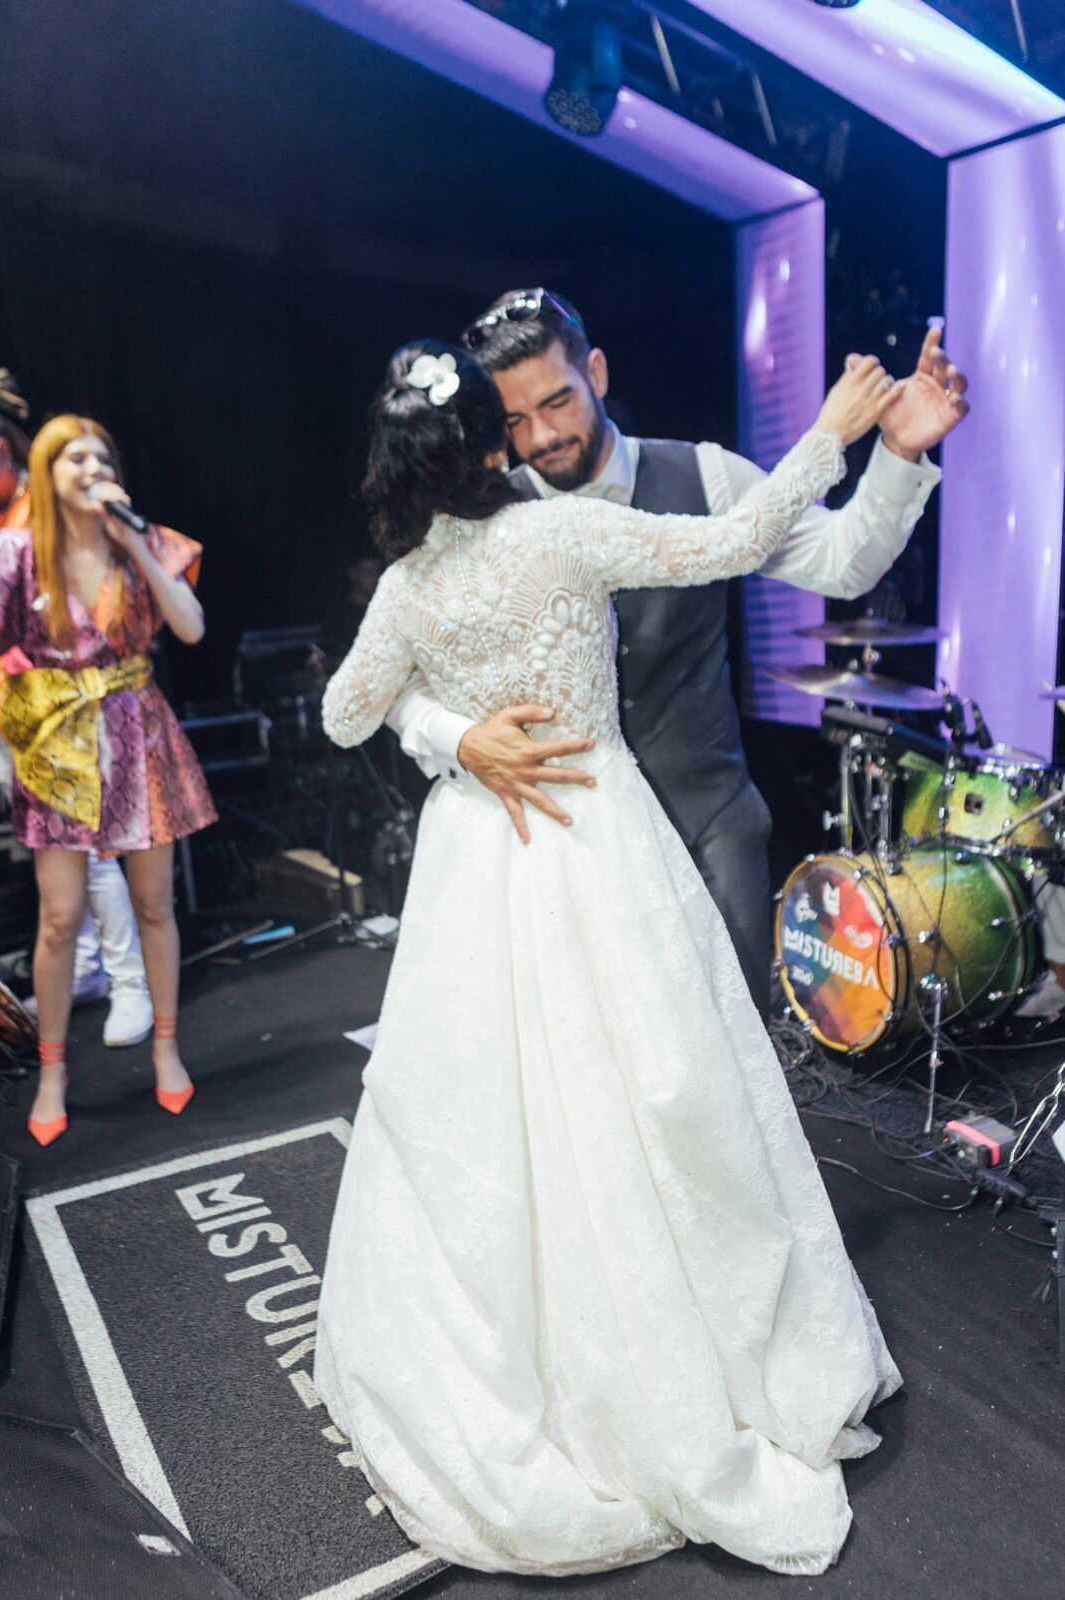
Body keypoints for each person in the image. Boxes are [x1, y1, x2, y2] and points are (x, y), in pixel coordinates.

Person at [313, 341, 905, 1577]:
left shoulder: (404, 590)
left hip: (478, 865)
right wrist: (832, 430)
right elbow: (731, 541)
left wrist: (448, 730)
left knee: (496, 1111)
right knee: (658, 1089)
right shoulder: (561, 535)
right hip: (595, 839)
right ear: (491, 445)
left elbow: (341, 712)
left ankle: (535, 1359)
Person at [385, 291, 968, 1019]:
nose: (543, 436)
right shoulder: (485, 514)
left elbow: (843, 564)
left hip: (708, 827)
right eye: (515, 421)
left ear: (597, 373)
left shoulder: (705, 476)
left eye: (558, 402)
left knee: (734, 1045)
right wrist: (462, 740)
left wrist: (899, 452)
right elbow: (399, 678)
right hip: (567, 853)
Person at [0, 415, 216, 1144]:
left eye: (102, 457)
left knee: (154, 905)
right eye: (75, 458)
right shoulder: (17, 553)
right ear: (47, 472)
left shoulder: (141, 543)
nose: (93, 468)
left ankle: (166, 1049)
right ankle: (53, 1072)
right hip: (58, 749)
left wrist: (137, 544)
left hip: (139, 735)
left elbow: (191, 627)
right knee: (60, 918)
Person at [0, 372, 153, 1048]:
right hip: (18, 710)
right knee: (64, 855)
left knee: (85, 851)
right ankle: (93, 968)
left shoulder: (40, 517)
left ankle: (125, 979)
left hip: (60, 710)